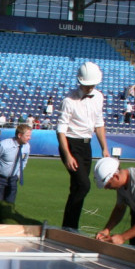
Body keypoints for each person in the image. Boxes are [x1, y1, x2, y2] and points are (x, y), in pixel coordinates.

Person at [57, 61, 109, 230]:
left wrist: (105, 148)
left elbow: (99, 124)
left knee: (77, 188)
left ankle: (69, 227)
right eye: (86, 85)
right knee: (84, 185)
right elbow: (61, 130)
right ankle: (70, 226)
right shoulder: (69, 100)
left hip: (87, 145)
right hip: (71, 144)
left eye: (91, 85)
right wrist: (67, 155)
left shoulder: (99, 97)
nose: (89, 88)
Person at [0, 124, 31, 204]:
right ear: (19, 135)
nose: (29, 138)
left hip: (12, 180)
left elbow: (24, 161)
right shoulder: (3, 145)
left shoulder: (26, 147)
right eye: (27, 136)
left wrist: (18, 173)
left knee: (9, 205)